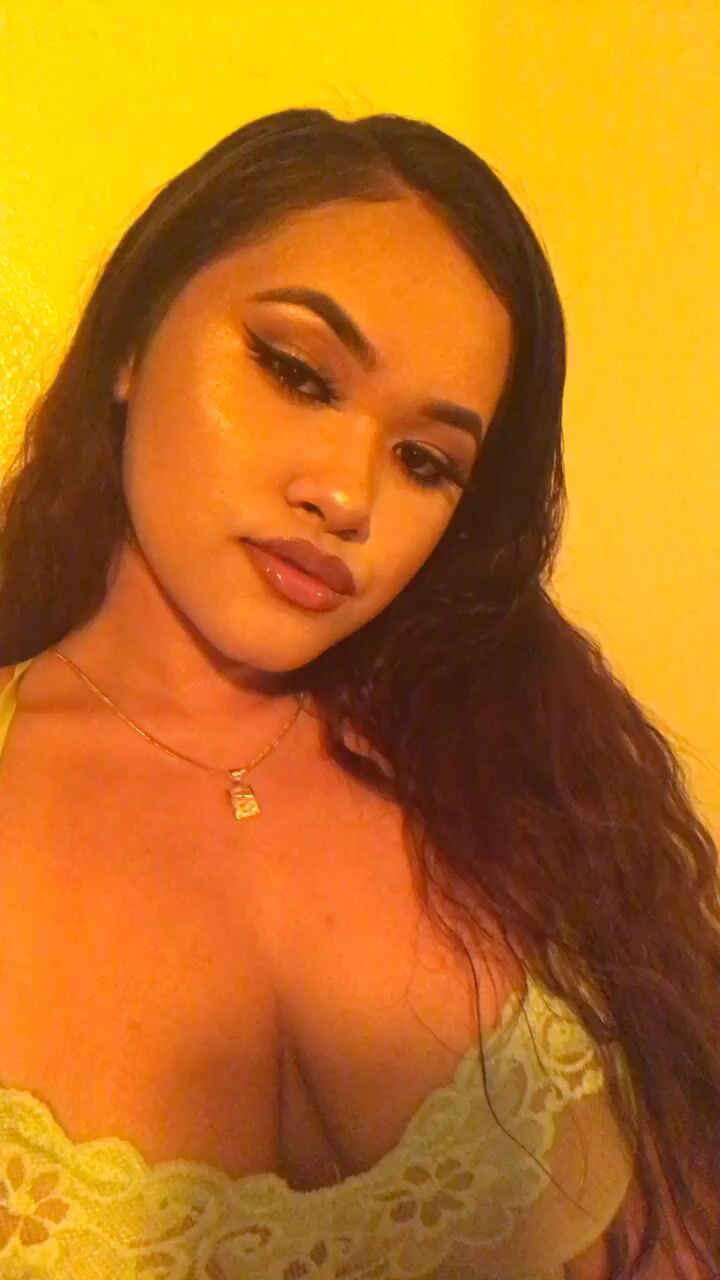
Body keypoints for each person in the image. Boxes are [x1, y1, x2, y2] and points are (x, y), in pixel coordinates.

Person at [0, 108, 716, 1280]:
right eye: (296, 371)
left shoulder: (529, 777)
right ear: (131, 339)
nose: (347, 495)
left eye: (426, 459)